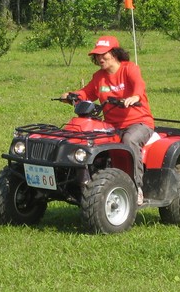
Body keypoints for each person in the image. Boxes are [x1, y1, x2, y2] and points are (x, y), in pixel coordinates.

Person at [61, 36, 154, 205]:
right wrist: (72, 96)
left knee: (129, 139)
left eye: (103, 54)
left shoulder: (129, 69)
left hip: (139, 123)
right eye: (97, 55)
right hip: (112, 125)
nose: (99, 58)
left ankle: (136, 187)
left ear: (114, 54)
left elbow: (138, 84)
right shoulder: (99, 77)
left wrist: (134, 96)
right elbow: (87, 93)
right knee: (86, 137)